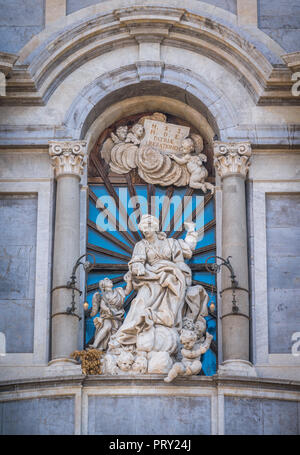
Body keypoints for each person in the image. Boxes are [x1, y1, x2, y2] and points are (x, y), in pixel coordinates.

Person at [109, 214, 198, 353]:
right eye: (143, 228)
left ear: (155, 227)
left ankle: (165, 326)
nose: (145, 230)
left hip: (170, 279)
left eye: (148, 227)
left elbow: (180, 261)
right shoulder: (141, 245)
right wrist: (137, 267)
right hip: (149, 280)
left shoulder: (171, 243)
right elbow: (137, 261)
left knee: (171, 300)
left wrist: (180, 275)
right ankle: (126, 337)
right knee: (140, 302)